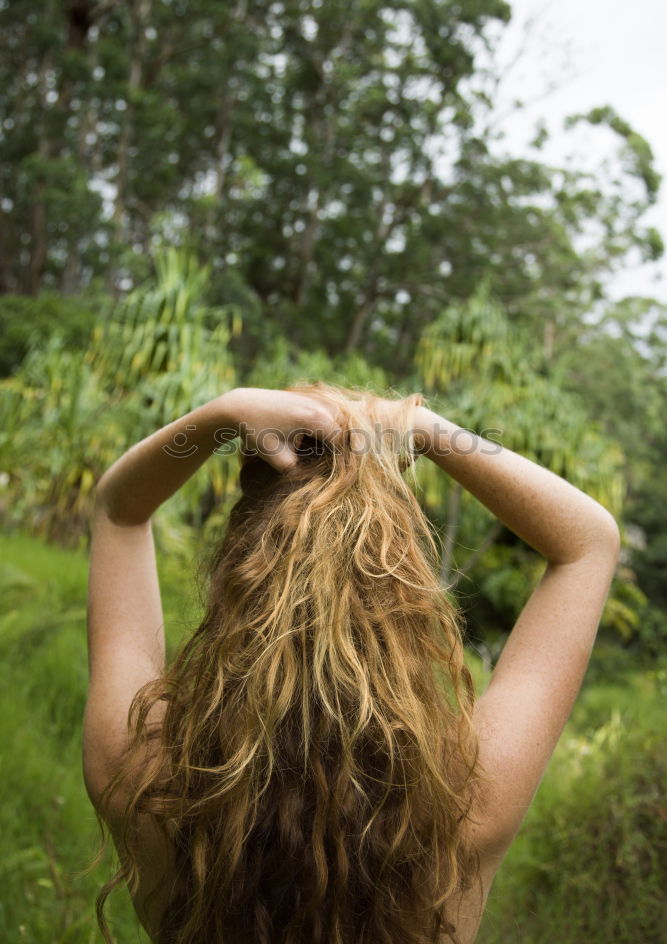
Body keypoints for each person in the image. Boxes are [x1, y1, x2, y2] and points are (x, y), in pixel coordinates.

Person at [83, 383, 620, 944]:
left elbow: (118, 511)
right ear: (405, 603)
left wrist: (222, 415)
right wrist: (421, 429)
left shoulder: (145, 777)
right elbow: (588, 542)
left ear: (232, 570)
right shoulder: (463, 804)